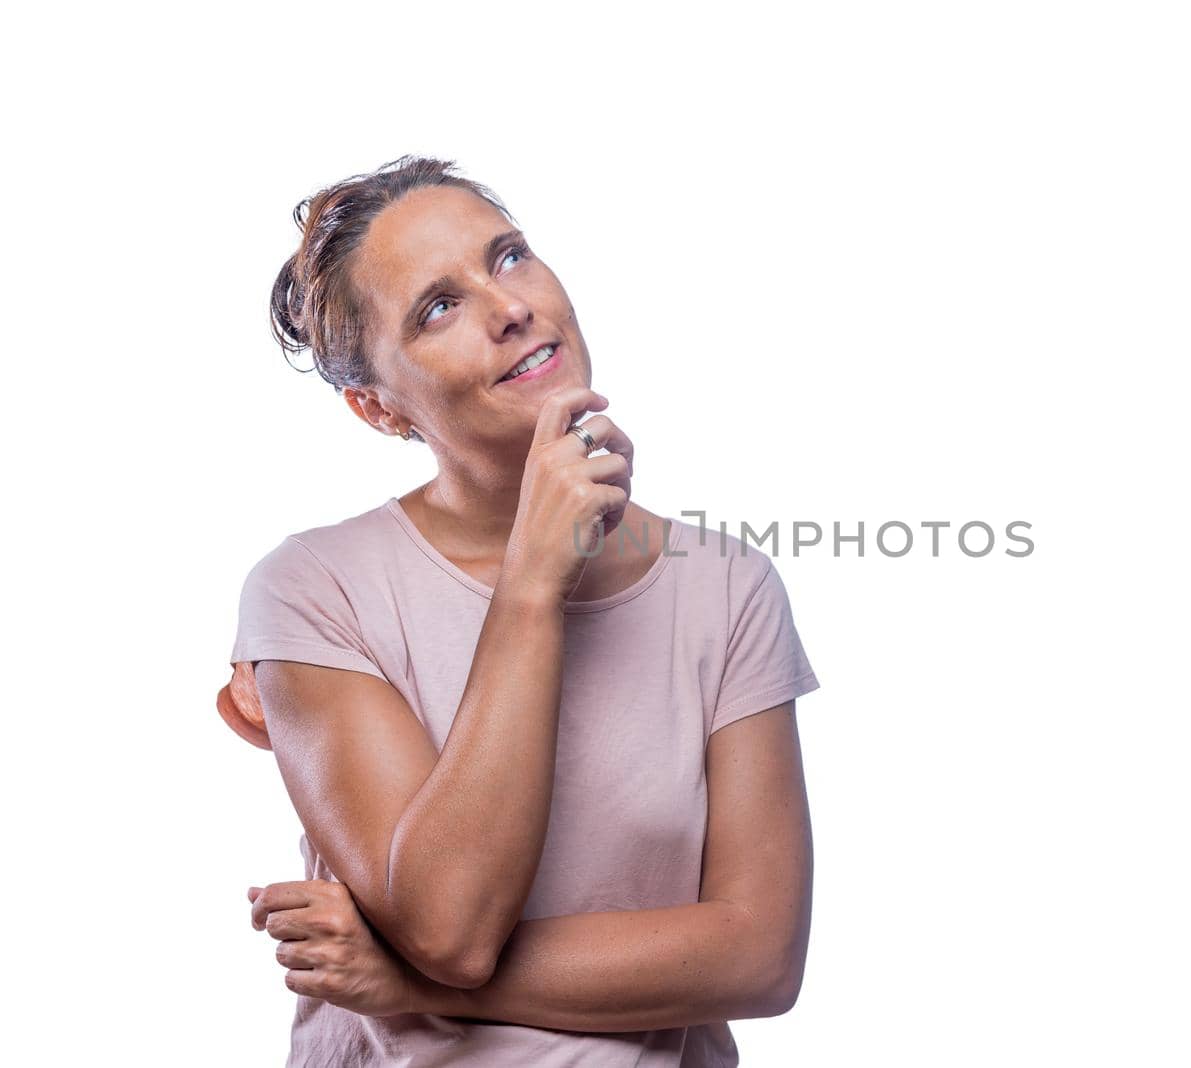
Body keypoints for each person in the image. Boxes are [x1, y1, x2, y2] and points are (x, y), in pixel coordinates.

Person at [220, 155, 820, 1067]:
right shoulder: (313, 589)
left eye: (508, 257)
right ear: (378, 409)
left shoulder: (728, 588)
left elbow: (759, 958)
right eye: (437, 307)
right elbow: (451, 924)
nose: (509, 307)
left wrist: (409, 981)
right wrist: (533, 579)